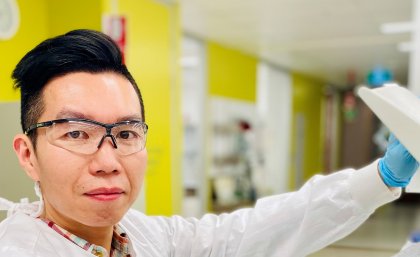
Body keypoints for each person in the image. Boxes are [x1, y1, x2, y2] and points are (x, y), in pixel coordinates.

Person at [0, 29, 417, 257]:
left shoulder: (138, 236)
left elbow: (242, 235)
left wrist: (380, 178)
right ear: (28, 155)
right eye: (77, 133)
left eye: (125, 133)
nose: (108, 160)